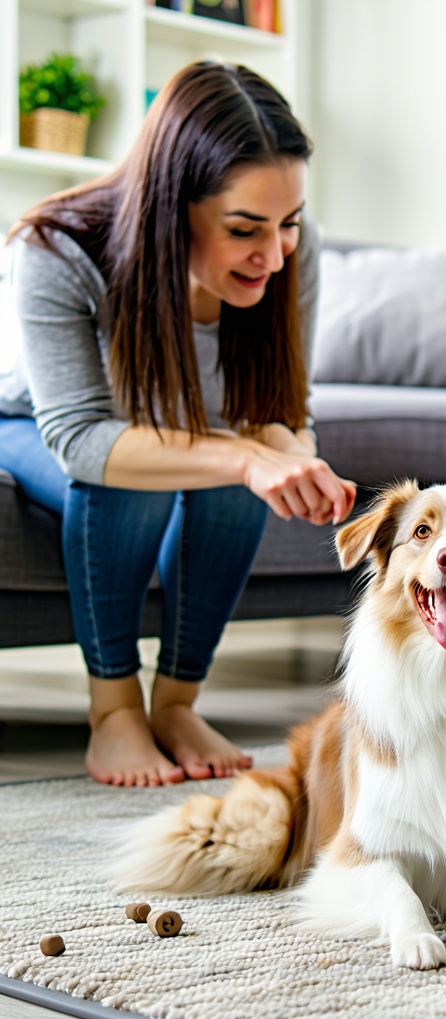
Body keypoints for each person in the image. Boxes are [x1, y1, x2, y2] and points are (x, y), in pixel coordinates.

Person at [0, 62, 356, 788]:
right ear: (171, 208)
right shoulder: (57, 248)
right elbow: (85, 440)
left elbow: (281, 412)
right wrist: (246, 457)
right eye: (244, 229)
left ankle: (177, 703)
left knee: (241, 466)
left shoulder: (290, 247)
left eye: (288, 223)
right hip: (31, 424)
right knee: (153, 472)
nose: (276, 251)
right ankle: (114, 710)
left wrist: (292, 455)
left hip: (163, 434)